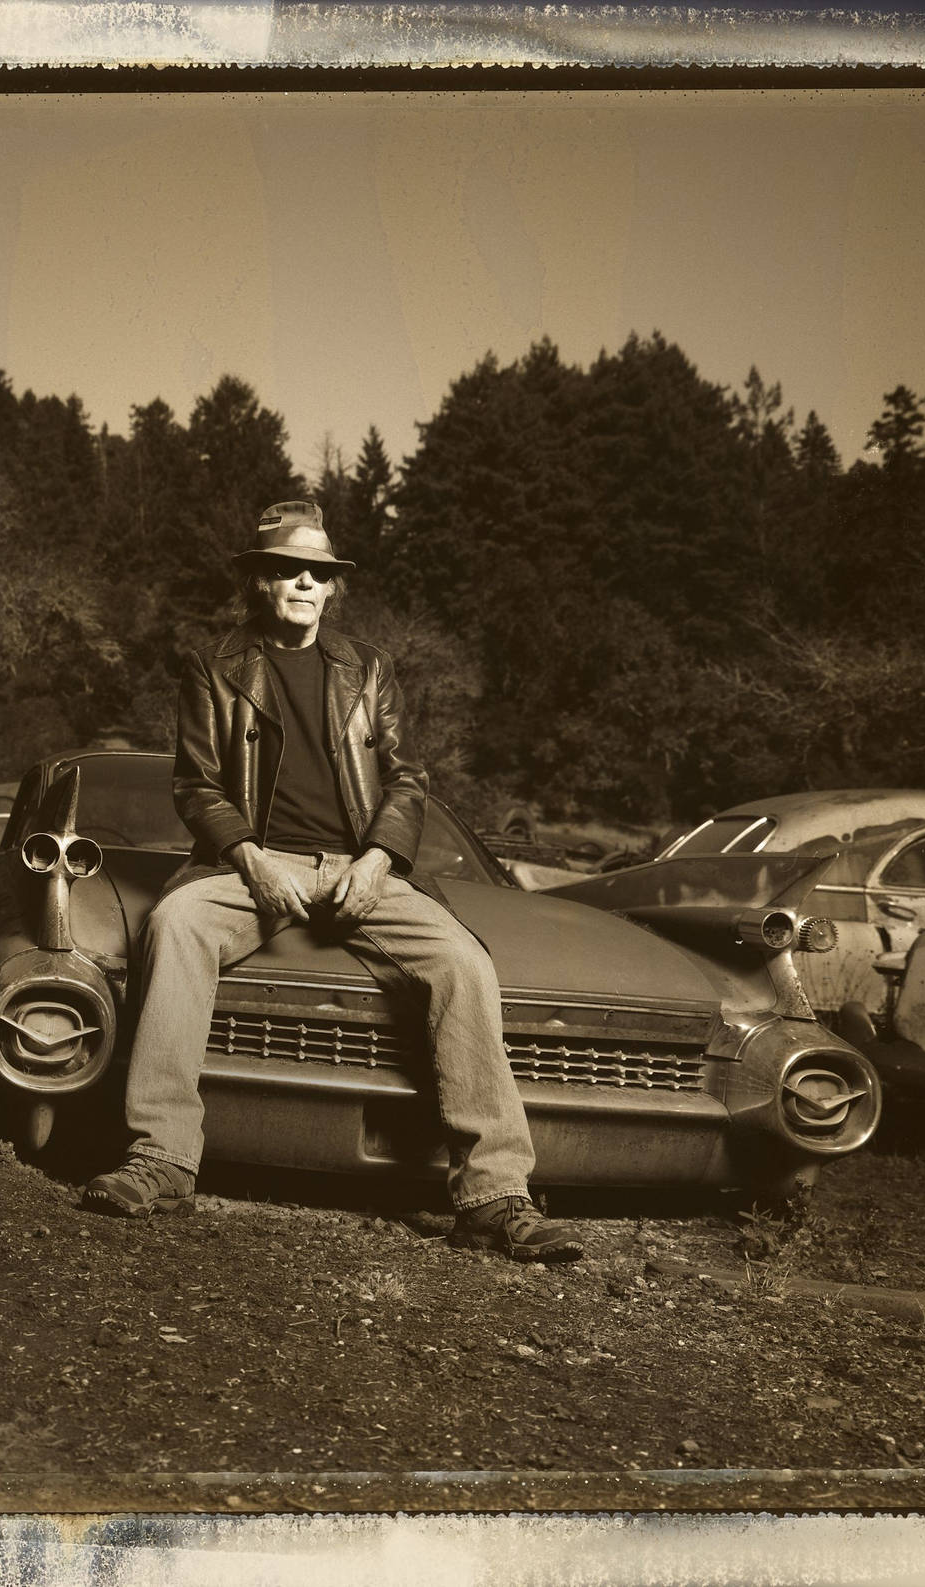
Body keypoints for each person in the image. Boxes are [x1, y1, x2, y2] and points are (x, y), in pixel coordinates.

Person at [80, 501, 583, 1262]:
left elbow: (406, 779)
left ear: (333, 587)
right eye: (288, 569)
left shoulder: (368, 667)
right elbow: (197, 786)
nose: (306, 582)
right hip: (251, 863)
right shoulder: (214, 665)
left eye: (320, 572)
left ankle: (493, 1196)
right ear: (259, 581)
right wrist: (251, 858)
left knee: (465, 962)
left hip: (360, 867)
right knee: (175, 925)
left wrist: (378, 859)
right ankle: (163, 1159)